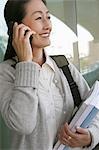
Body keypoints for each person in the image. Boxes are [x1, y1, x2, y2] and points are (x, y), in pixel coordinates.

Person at [0, 0, 99, 150]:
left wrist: (91, 136)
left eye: (48, 17)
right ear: (17, 28)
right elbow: (23, 125)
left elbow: (93, 110)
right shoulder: (5, 73)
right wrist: (26, 63)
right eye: (39, 18)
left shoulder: (63, 66)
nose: (47, 25)